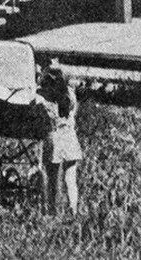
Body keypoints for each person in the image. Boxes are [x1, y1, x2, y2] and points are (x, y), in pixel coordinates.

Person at [36, 64, 82, 216]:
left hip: (54, 138)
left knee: (52, 179)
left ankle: (52, 211)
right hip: (70, 137)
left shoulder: (42, 97)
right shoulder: (70, 96)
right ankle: (73, 211)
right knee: (70, 178)